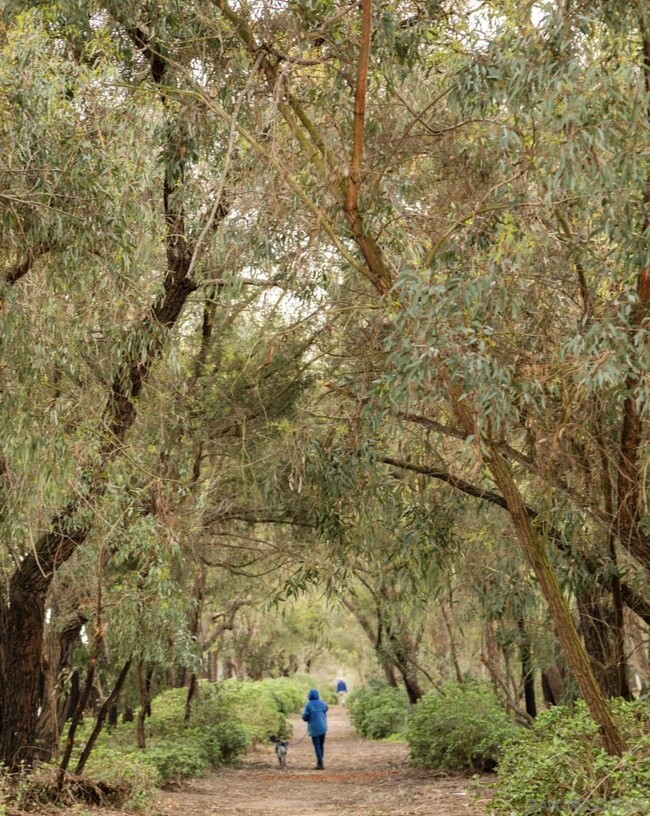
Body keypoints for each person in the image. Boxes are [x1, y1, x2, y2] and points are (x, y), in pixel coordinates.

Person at [302, 688, 328, 770]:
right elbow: (326, 708)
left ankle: (320, 763)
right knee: (321, 745)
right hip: (323, 727)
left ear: (309, 696)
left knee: (317, 745)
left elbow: (305, 717)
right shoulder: (322, 704)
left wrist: (307, 717)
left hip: (314, 728)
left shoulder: (308, 705)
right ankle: (320, 762)